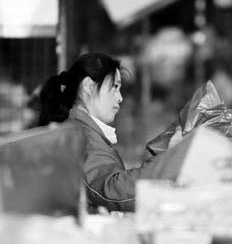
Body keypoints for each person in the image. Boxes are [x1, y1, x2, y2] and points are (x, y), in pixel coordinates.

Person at [39, 52, 170, 212]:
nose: (120, 97)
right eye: (115, 87)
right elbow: (111, 191)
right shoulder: (83, 137)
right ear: (88, 86)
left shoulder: (87, 133)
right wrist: (169, 162)